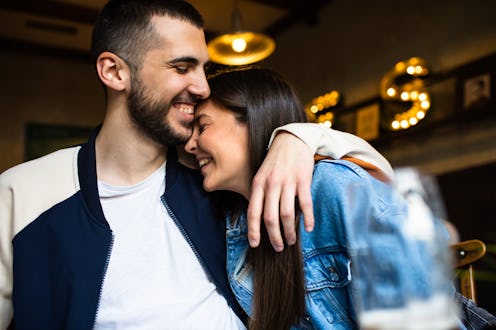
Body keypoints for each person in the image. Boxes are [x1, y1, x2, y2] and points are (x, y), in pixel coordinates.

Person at [0, 1, 395, 329]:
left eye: (203, 68)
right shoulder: (22, 194)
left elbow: (373, 182)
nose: (204, 87)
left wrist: (300, 137)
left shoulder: (215, 179)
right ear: (114, 71)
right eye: (181, 67)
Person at [184, 67, 496, 329]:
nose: (191, 145)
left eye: (203, 126)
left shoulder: (332, 186)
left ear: (252, 120)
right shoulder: (235, 229)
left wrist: (299, 135)